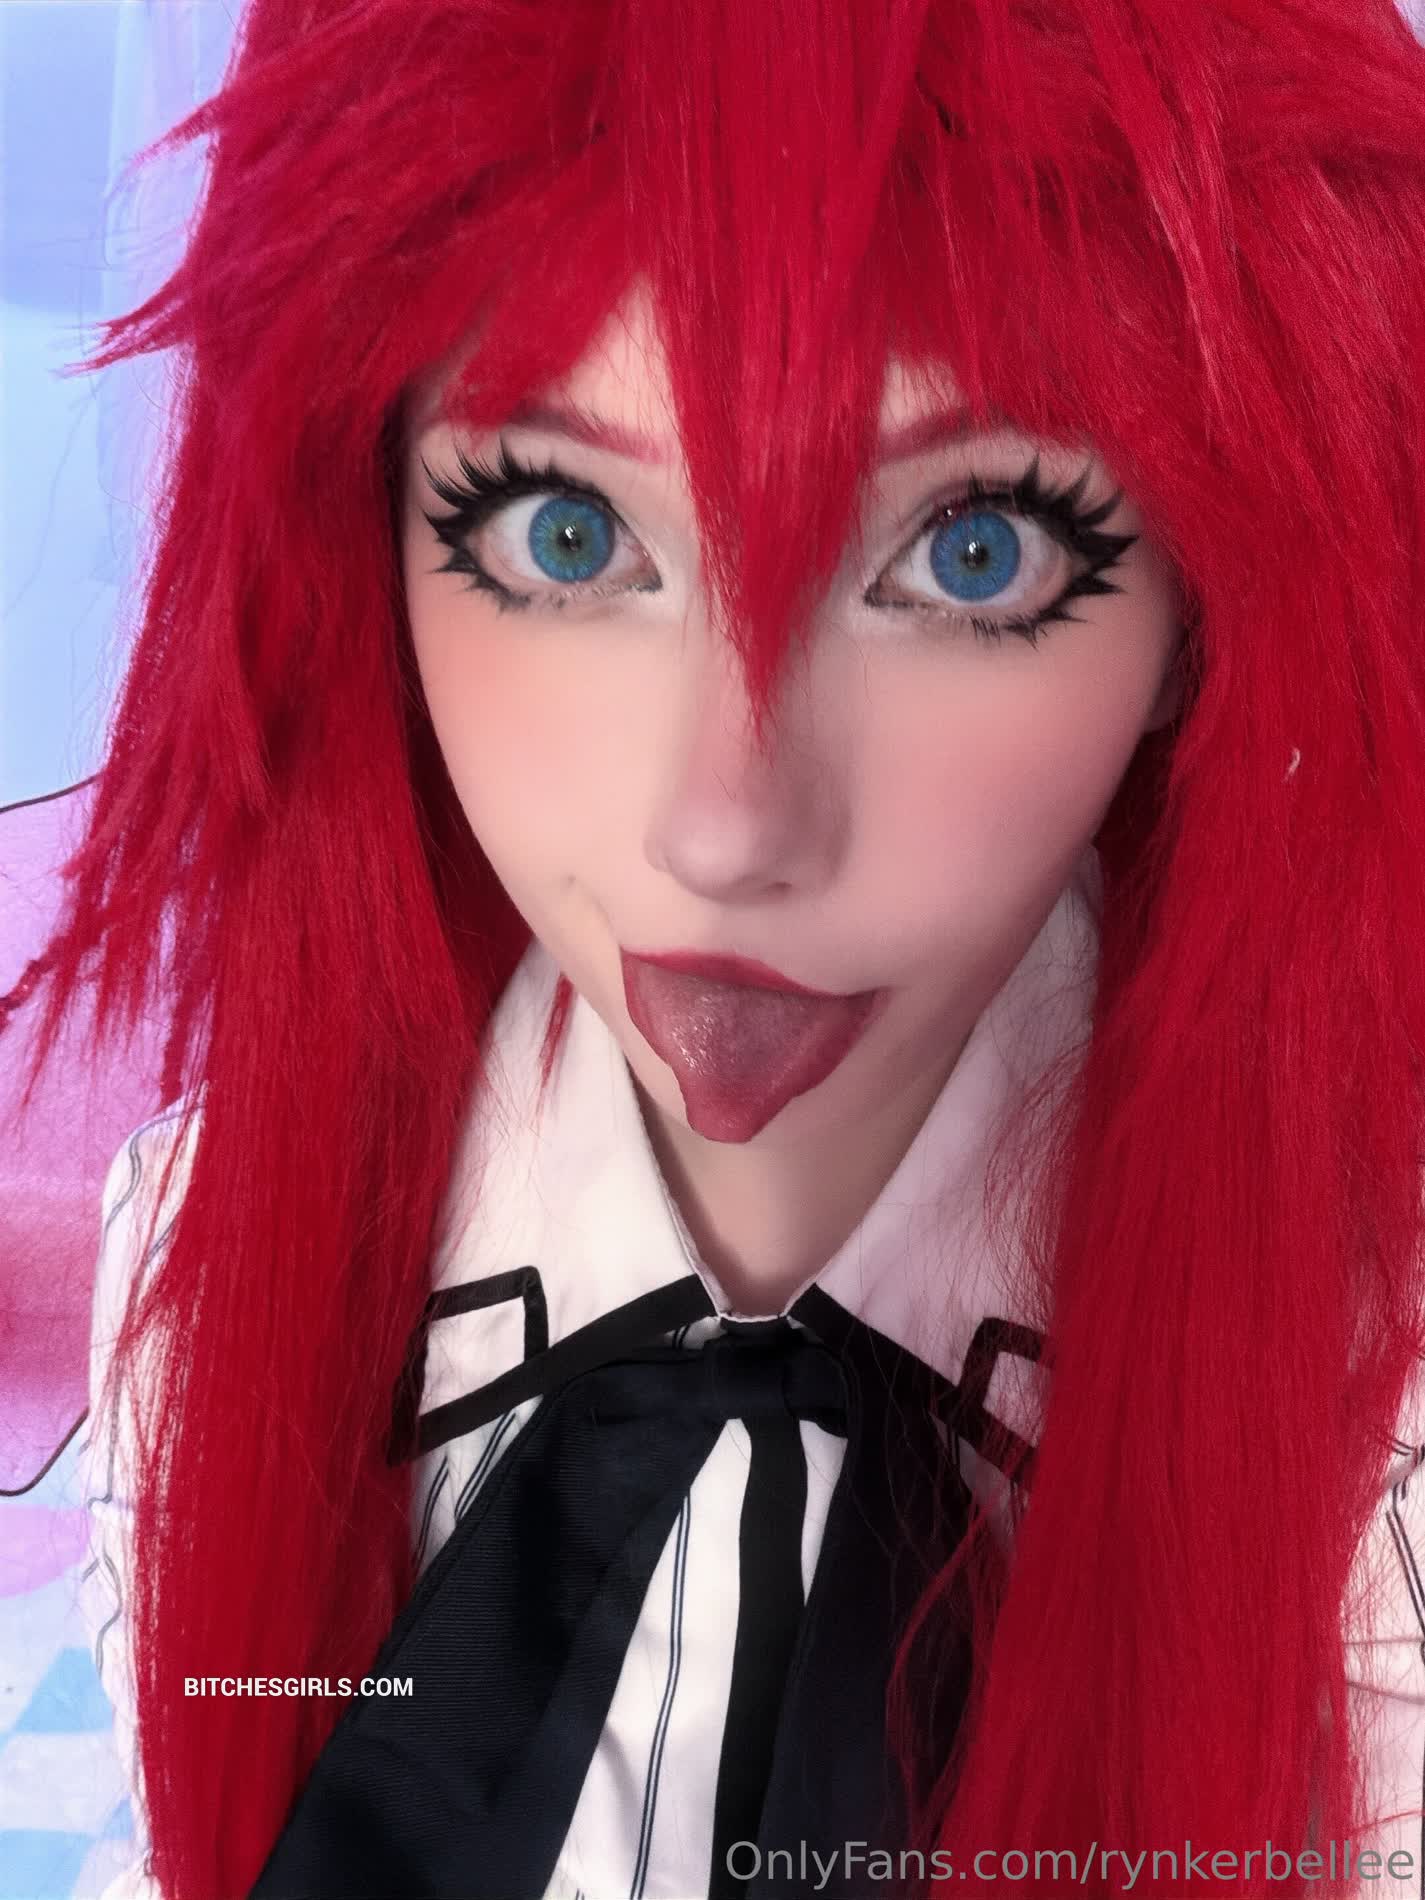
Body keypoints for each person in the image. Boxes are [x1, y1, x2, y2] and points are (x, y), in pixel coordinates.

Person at [6, 0, 1425, 1894]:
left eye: (975, 553)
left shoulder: (1379, 1409)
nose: (725, 828)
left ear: (1204, 611)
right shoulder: (206, 1263)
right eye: (564, 533)